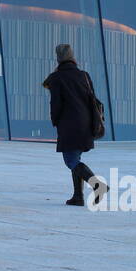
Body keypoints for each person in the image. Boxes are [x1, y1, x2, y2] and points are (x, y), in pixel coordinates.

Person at [42, 44, 107, 206]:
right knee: (75, 158)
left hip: (69, 124)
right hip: (86, 123)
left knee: (71, 160)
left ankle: (98, 185)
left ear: (58, 58)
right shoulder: (83, 75)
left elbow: (56, 103)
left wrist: (55, 120)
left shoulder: (56, 78)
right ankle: (78, 197)